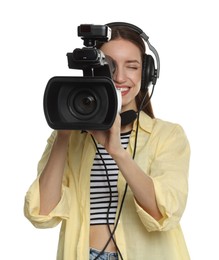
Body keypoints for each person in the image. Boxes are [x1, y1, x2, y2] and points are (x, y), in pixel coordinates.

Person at [24, 22, 191, 260]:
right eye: (109, 66)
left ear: (146, 74)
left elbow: (163, 213)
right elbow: (43, 213)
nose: (120, 77)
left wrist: (118, 152)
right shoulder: (68, 139)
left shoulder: (168, 136)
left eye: (132, 67)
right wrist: (63, 134)